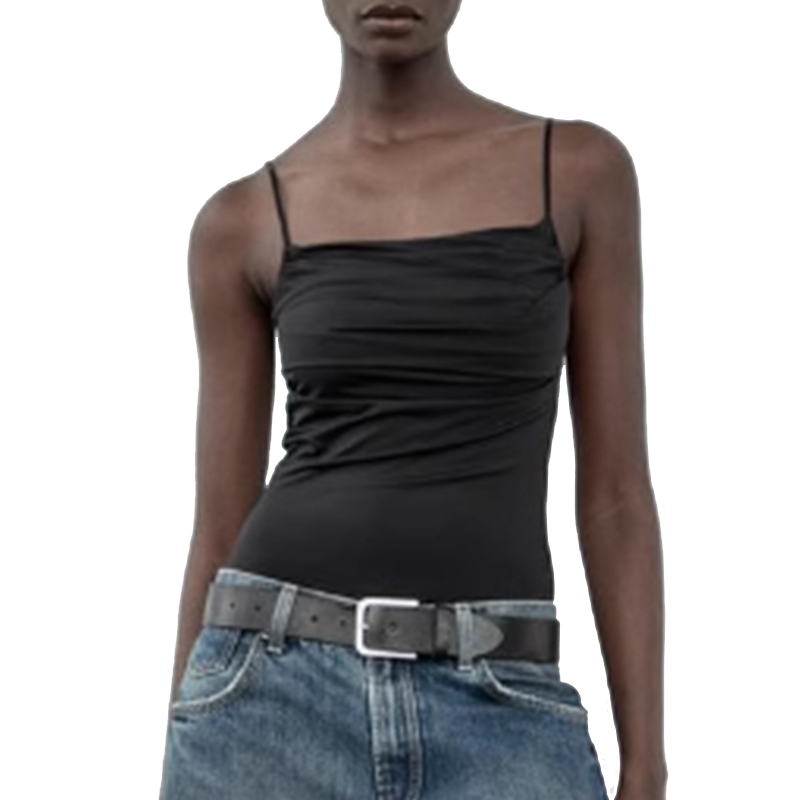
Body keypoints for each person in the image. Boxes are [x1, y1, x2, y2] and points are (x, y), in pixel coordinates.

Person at [159, 2, 667, 799]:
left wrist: (647, 762)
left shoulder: (577, 172)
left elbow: (617, 495)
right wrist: (180, 728)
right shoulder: (241, 220)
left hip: (502, 698)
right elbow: (218, 527)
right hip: (265, 700)